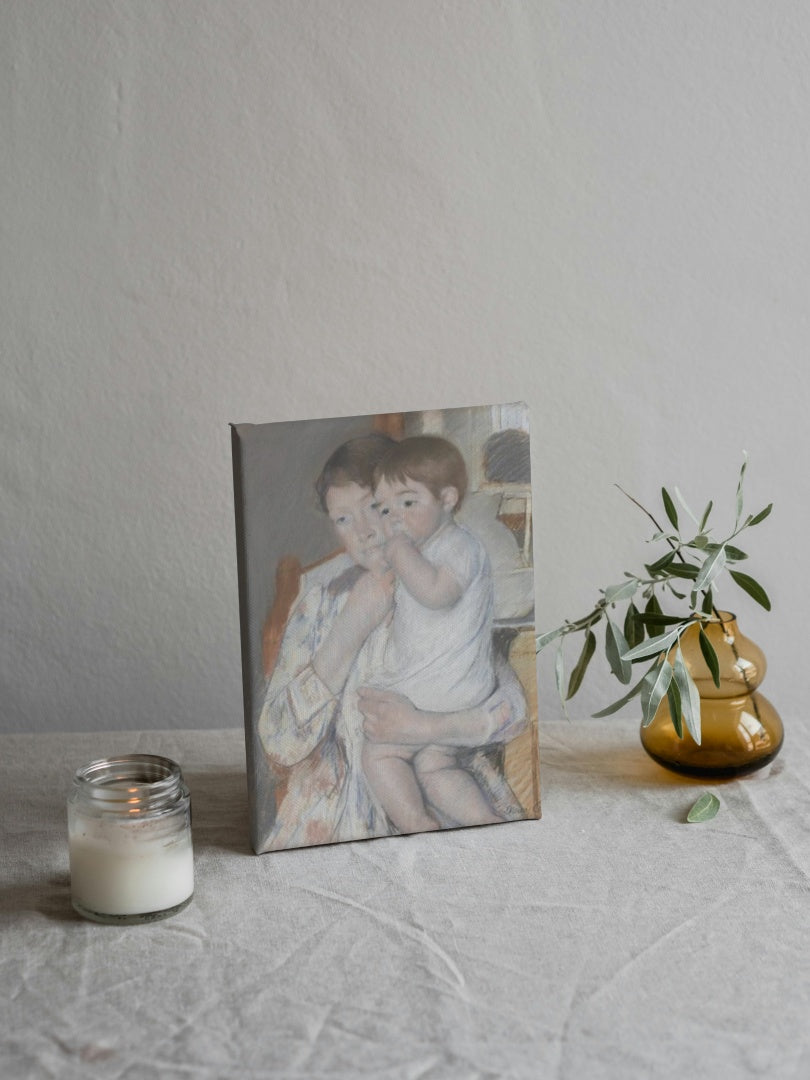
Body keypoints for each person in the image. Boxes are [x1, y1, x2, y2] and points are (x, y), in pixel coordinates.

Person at [256, 434, 526, 852]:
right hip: (335, 824)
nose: (363, 532)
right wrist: (349, 628)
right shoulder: (320, 602)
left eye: (371, 508)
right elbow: (277, 741)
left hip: (448, 803)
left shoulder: (442, 581)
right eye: (343, 520)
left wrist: (427, 726)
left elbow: (514, 709)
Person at [362, 436, 500, 834]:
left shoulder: (459, 545)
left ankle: (417, 824)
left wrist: (400, 550)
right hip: (453, 691)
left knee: (379, 754)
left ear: (448, 498)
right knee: (434, 763)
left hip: (443, 691)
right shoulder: (428, 547)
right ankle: (485, 820)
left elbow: (437, 594)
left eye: (408, 503)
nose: (395, 518)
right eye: (386, 509)